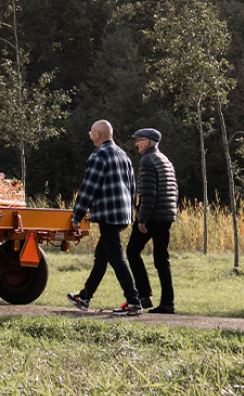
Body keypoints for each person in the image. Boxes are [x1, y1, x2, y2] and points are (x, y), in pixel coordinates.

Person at [67, 120, 143, 316]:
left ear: (98, 134)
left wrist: (77, 216)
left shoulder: (98, 156)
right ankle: (85, 297)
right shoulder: (123, 156)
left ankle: (134, 301)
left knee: (116, 257)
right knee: (101, 256)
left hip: (108, 214)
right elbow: (132, 187)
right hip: (121, 213)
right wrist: (130, 214)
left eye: (91, 132)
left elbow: (88, 189)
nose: (90, 135)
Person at [125, 128, 178, 314]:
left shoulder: (148, 160)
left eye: (139, 140)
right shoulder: (165, 160)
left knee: (132, 251)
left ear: (147, 142)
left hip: (153, 216)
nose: (137, 144)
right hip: (167, 216)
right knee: (162, 259)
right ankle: (167, 303)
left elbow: (148, 194)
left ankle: (143, 294)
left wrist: (142, 219)